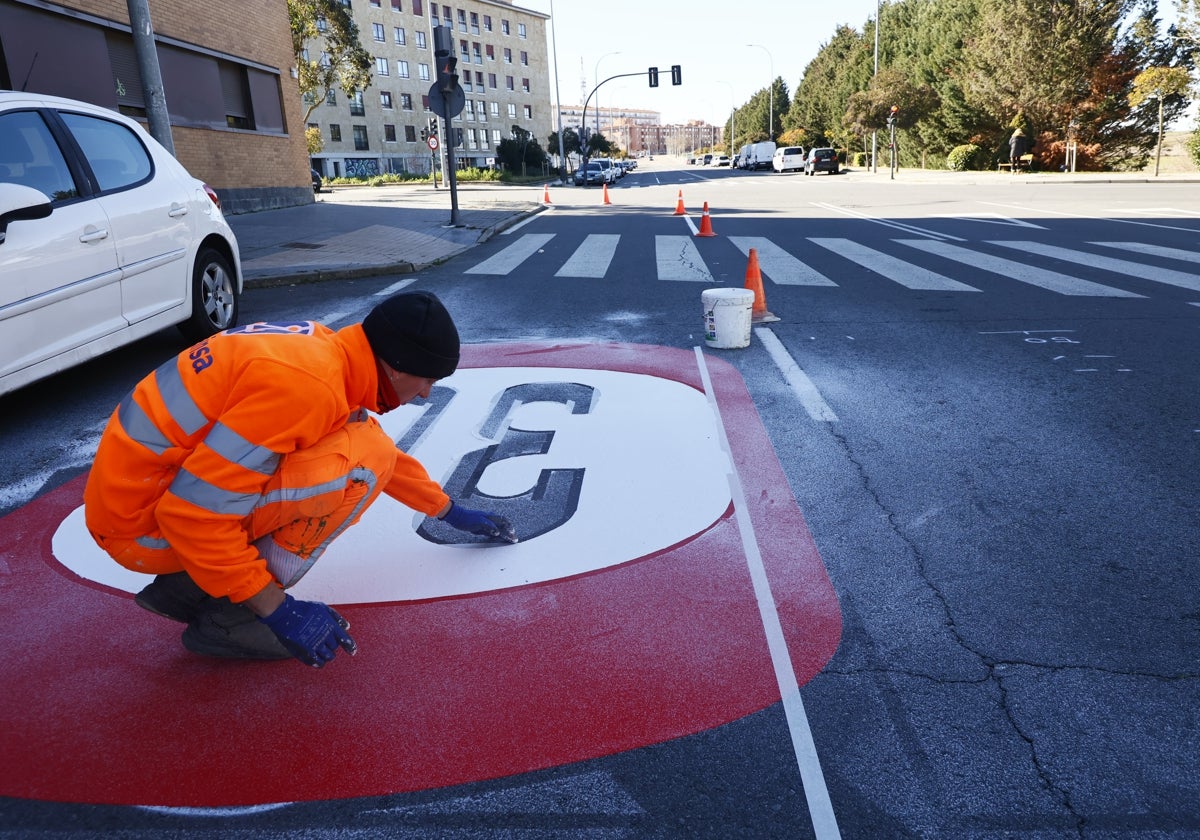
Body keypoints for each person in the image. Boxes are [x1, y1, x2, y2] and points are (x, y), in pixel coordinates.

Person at [83, 291, 515, 668]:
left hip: (138, 495)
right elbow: (193, 516)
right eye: (428, 380)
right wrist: (277, 610)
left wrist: (447, 510)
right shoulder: (306, 387)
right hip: (144, 528)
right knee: (360, 471)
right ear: (398, 368)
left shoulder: (324, 351)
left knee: (365, 445)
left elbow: (372, 442)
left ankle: (190, 587)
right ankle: (230, 618)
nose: (425, 394)